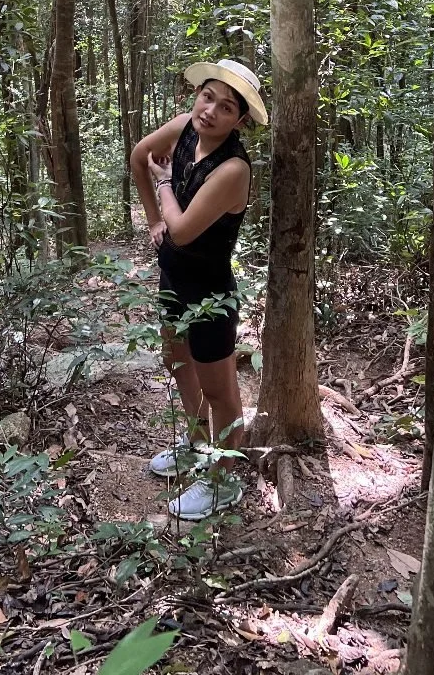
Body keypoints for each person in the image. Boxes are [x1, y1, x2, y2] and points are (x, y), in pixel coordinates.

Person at [130, 56, 268, 520]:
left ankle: (223, 480)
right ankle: (196, 442)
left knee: (220, 388)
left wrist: (164, 185)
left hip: (210, 292)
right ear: (197, 94)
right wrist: (153, 219)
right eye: (208, 97)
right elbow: (139, 155)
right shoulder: (184, 127)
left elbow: (185, 230)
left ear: (239, 121)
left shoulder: (233, 168)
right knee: (176, 361)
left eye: (226, 107)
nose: (210, 111)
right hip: (173, 279)